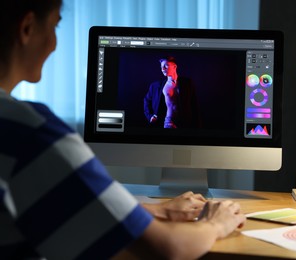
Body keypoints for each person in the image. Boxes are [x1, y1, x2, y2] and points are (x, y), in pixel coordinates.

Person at [0, 1, 246, 259]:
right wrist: (216, 223)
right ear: (27, 28)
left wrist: (156, 210)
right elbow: (167, 248)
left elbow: (58, 210)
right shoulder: (33, 132)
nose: (54, 43)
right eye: (55, 26)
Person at [144, 56, 201, 128]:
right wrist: (150, 116)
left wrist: (198, 125)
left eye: (166, 66)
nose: (162, 69)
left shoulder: (187, 83)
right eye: (161, 67)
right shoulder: (156, 86)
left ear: (174, 66)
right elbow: (146, 100)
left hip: (184, 123)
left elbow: (194, 105)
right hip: (168, 122)